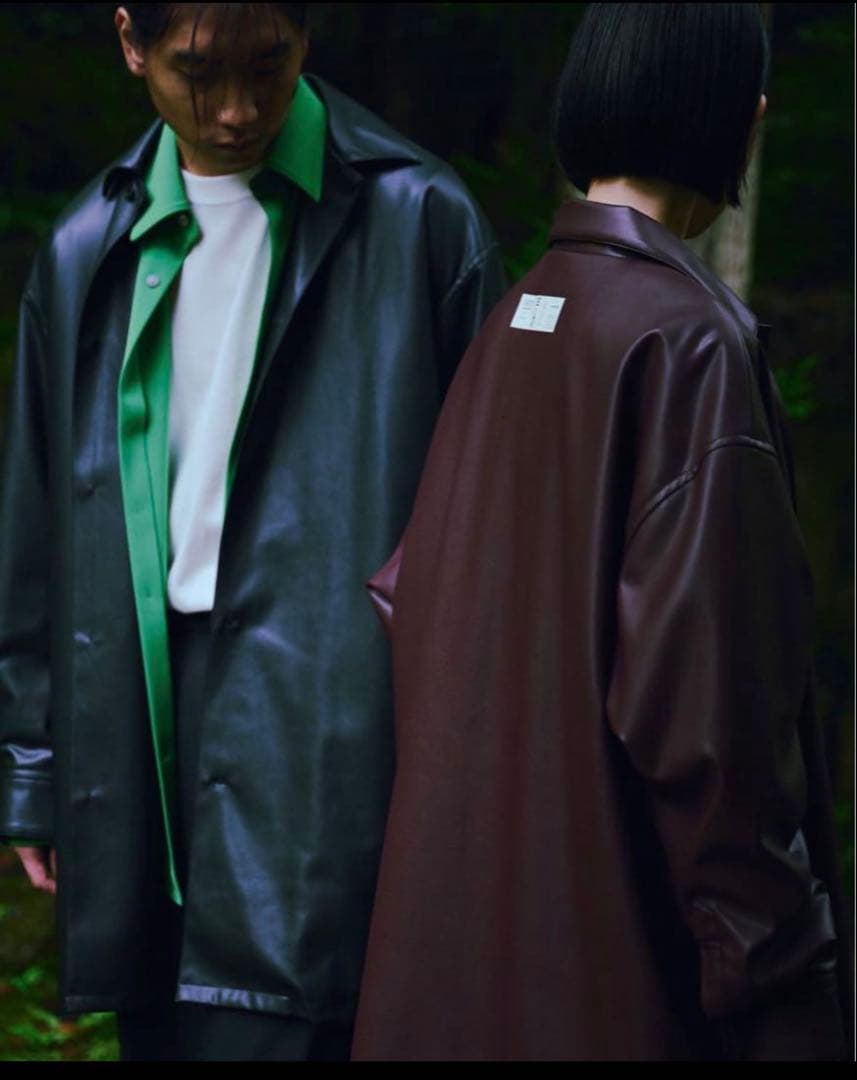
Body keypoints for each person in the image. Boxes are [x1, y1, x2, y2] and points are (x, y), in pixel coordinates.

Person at [0, 2, 505, 1062]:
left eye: (266, 66)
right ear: (131, 43)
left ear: (307, 36)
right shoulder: (86, 247)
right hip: (137, 721)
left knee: (304, 1028)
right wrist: (35, 769)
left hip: (335, 716)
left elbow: (490, 533)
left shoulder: (419, 220)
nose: (235, 110)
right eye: (198, 72)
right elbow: (37, 527)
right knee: (159, 1027)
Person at [351, 3, 851, 1062]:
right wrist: (783, 978)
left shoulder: (518, 316)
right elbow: (712, 724)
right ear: (744, 119)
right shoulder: (689, 342)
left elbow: (411, 608)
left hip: (452, 965)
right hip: (615, 982)